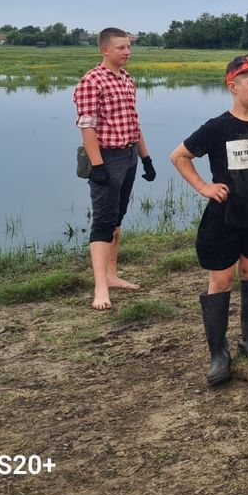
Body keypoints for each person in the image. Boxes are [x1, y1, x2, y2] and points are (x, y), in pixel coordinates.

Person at [169, 56, 248, 385]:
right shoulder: (217, 127)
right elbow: (179, 156)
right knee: (222, 280)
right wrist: (203, 186)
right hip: (224, 216)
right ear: (232, 86)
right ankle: (219, 353)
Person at [72, 28, 156, 311]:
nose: (127, 52)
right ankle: (100, 288)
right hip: (106, 157)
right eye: (121, 48)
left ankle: (112, 274)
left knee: (118, 220)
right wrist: (98, 166)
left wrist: (145, 158)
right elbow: (87, 126)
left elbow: (134, 122)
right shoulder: (92, 81)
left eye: (128, 47)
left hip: (129, 153)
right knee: (104, 222)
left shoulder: (127, 79)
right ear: (104, 50)